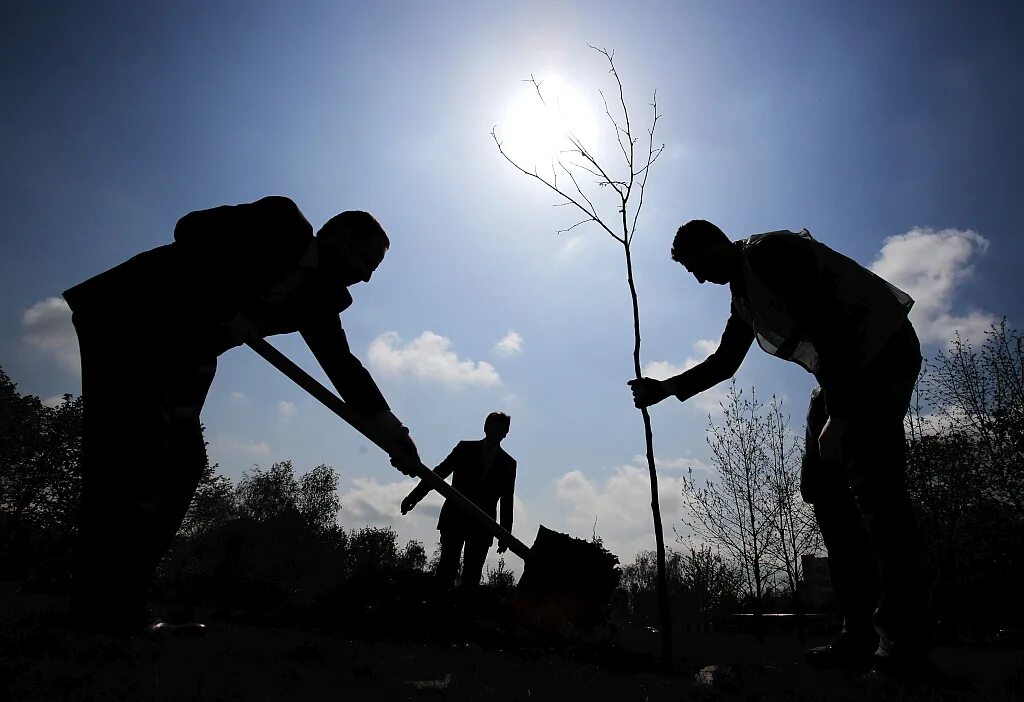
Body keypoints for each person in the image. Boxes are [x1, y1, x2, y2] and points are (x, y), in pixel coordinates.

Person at [63, 195, 423, 634]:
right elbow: (190, 227)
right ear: (341, 237)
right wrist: (227, 305)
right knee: (128, 457)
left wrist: (393, 433)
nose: (366, 277)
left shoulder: (320, 297)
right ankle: (99, 611)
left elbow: (342, 365)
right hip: (128, 320)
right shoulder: (281, 222)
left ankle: (120, 605)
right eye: (367, 261)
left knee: (181, 464)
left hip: (184, 356)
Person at [629, 220, 927, 674]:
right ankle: (858, 633)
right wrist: (665, 388)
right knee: (823, 488)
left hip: (877, 355)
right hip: (841, 375)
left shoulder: (770, 254)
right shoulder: (744, 299)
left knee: (879, 493)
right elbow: (725, 362)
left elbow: (831, 322)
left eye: (696, 265)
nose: (697, 278)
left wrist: (841, 415)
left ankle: (903, 641)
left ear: (715, 242)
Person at [401, 412, 516, 588]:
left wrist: (505, 534)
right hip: (454, 518)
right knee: (446, 569)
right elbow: (439, 473)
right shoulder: (465, 449)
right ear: (486, 427)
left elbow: (507, 499)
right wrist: (414, 496)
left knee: (471, 577)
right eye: (493, 426)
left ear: (506, 433)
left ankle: (463, 613)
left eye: (501, 428)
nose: (496, 431)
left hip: (483, 526)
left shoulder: (509, 463)